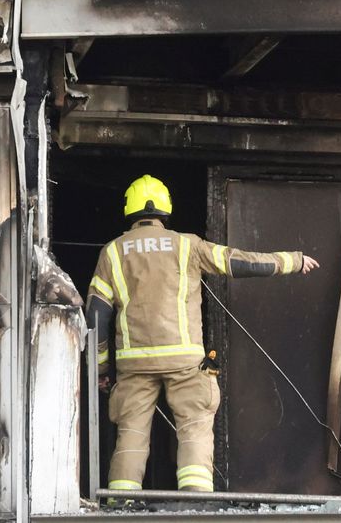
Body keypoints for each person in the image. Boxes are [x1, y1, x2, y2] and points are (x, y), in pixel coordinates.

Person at [87, 175, 320, 494]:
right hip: (184, 361)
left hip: (134, 365)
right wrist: (290, 261)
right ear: (165, 212)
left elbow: (97, 315)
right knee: (194, 427)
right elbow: (236, 261)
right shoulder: (187, 245)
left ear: (129, 211)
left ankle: (121, 502)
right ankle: (195, 503)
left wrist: (101, 369)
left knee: (131, 436)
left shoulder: (111, 253)